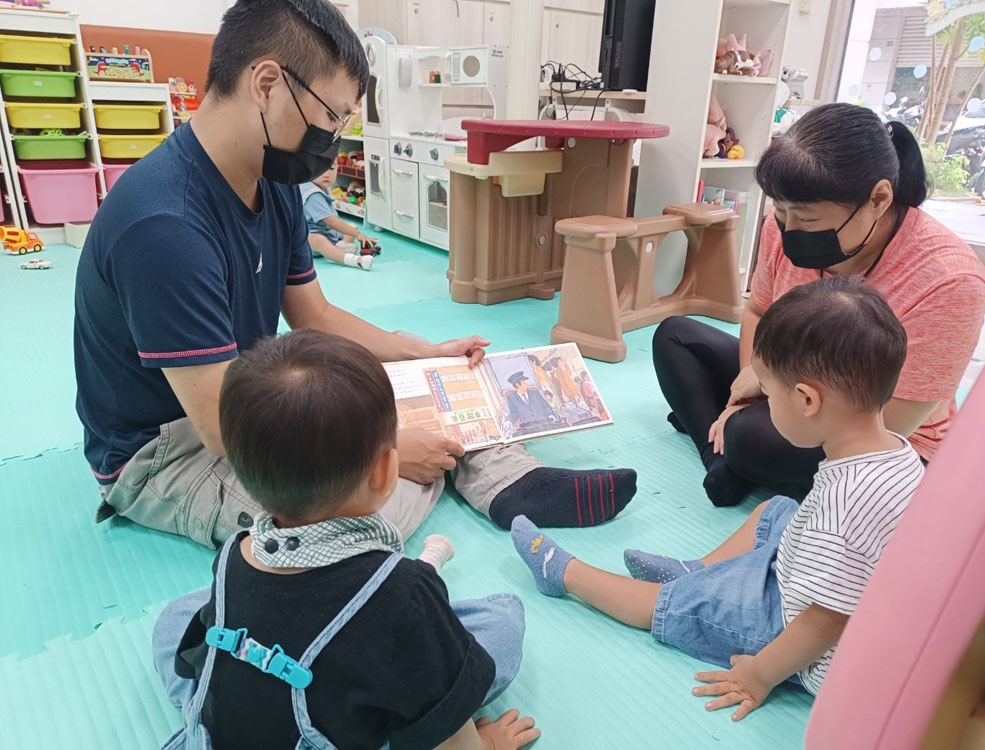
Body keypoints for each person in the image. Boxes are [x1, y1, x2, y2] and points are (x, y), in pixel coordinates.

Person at [73, 0, 638, 548]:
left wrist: (420, 355)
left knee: (413, 380)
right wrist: (383, 450)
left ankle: (509, 479)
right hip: (175, 448)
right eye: (331, 116)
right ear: (267, 84)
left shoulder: (272, 180)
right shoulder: (165, 224)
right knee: (366, 510)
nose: (334, 135)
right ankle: (446, 465)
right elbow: (222, 429)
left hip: (254, 391)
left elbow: (314, 315)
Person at [511, 277, 925, 719]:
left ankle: (567, 574)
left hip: (790, 629)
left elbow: (825, 620)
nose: (763, 403)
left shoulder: (843, 508)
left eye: (768, 393)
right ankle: (697, 571)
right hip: (814, 579)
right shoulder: (897, 453)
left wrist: (759, 675)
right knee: (777, 509)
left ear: (807, 400)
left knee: (680, 605)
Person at [153, 329, 540, 750]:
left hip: (223, 733)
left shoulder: (237, 551)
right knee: (501, 621)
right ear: (386, 470)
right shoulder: (406, 590)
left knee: (178, 616)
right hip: (333, 730)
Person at [652, 103, 985, 507]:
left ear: (878, 199)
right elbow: (758, 311)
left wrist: (762, 391)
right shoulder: (784, 224)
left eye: (807, 219)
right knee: (675, 336)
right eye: (780, 211)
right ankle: (723, 459)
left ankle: (732, 447)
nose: (788, 229)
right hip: (788, 386)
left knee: (751, 435)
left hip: (878, 436)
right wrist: (750, 387)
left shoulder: (950, 280)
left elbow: (894, 420)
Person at [300, 165, 378, 271]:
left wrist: (354, 233)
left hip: (328, 233)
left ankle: (339, 247)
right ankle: (354, 260)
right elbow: (331, 221)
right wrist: (358, 235)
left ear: (337, 168)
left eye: (331, 168)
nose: (326, 174)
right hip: (309, 238)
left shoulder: (320, 188)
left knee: (351, 228)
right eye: (320, 168)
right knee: (317, 240)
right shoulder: (312, 194)